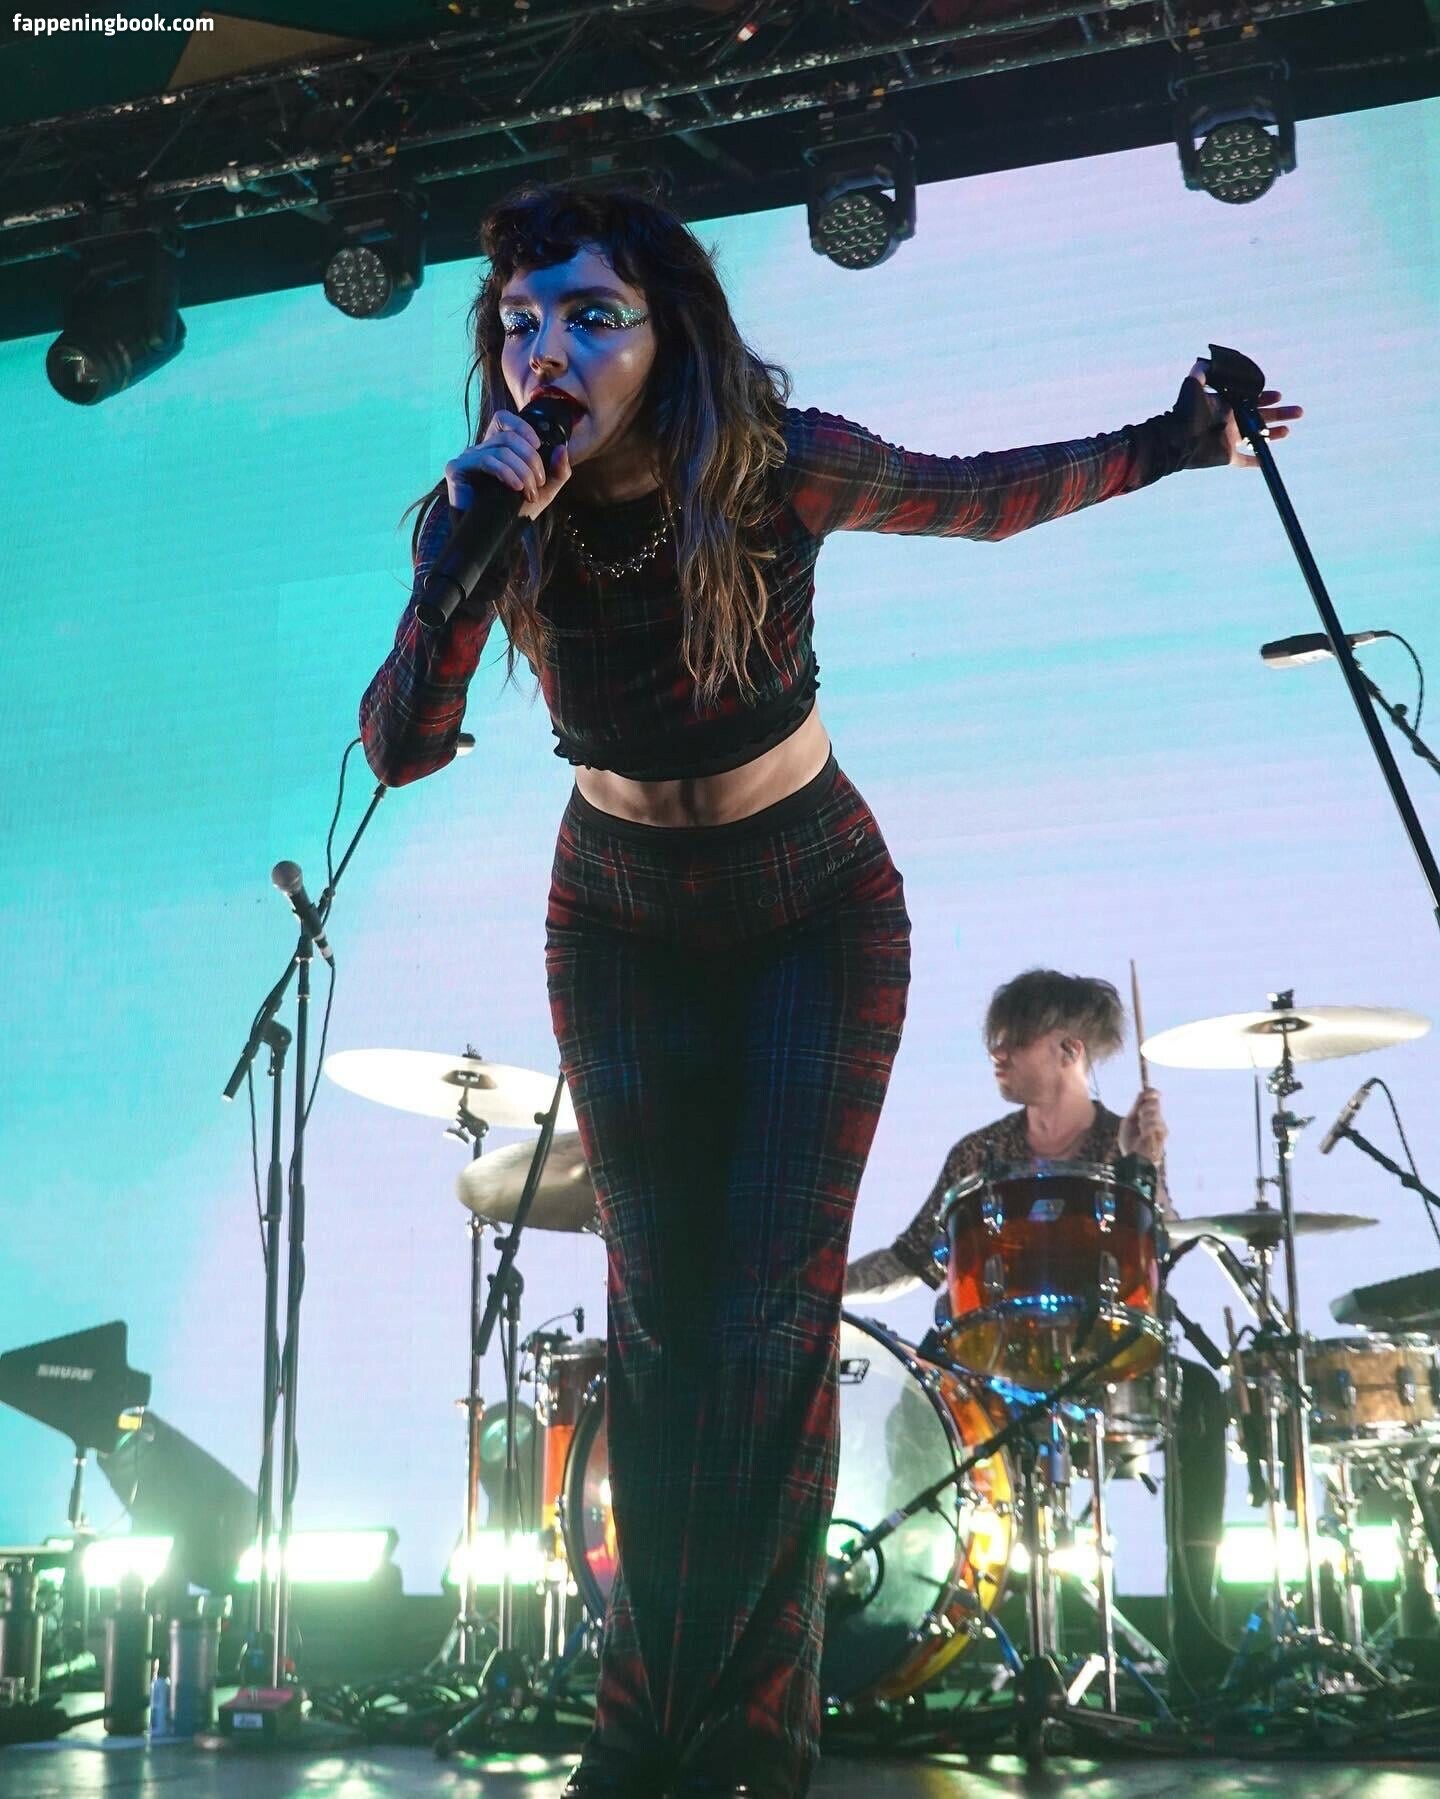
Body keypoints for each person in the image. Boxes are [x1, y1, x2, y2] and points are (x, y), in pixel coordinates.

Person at [359, 186, 1298, 1796]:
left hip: (813, 907)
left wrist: (1175, 439)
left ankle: (752, 1740)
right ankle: (640, 1736)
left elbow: (981, 496)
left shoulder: (770, 464)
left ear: (670, 334)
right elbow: (402, 746)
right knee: (662, 1328)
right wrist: (457, 559)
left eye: (590, 315)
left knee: (767, 1322)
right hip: (620, 915)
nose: (546, 352)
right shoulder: (496, 514)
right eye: (519, 323)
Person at [844, 967, 1231, 1692]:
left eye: (1014, 1039)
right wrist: (825, 1284)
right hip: (991, 1362)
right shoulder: (977, 1153)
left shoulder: (1122, 1143)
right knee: (910, 1409)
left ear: (1067, 1050)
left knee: (1202, 1398)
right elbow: (913, 1259)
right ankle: (906, 1635)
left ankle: (1196, 1641)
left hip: (1102, 1360)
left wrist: (1141, 1167)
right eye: (995, 1038)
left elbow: (1157, 1255)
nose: (996, 1052)